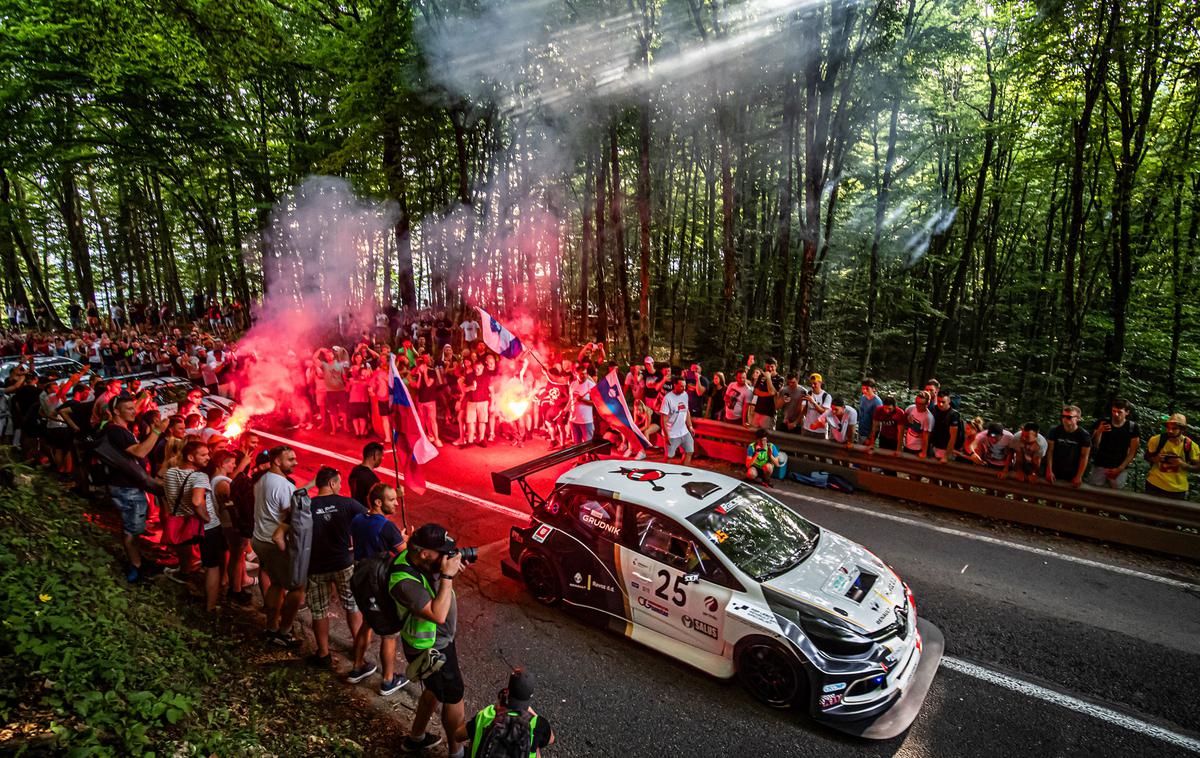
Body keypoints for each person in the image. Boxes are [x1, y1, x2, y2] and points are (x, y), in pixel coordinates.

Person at [391, 524, 470, 756]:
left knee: (434, 690)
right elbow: (438, 615)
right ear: (424, 553)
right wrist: (447, 575)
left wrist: (447, 569)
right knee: (454, 697)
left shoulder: (420, 560)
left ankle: (416, 738)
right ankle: (457, 753)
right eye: (442, 553)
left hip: (437, 643)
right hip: (432, 648)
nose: (446, 557)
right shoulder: (403, 581)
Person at [348, 483, 412, 695]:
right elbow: (405, 554)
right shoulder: (386, 527)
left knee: (367, 622)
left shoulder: (358, 520)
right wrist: (406, 541)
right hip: (378, 583)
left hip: (359, 579)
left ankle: (357, 666)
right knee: (390, 633)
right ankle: (388, 680)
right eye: (392, 499)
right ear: (378, 502)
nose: (396, 503)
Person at [306, 467, 366, 668]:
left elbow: (290, 526)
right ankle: (359, 651)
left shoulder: (307, 505)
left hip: (315, 566)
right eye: (339, 483)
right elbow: (370, 518)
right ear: (332, 483)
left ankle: (323, 653)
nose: (340, 487)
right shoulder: (347, 503)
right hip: (343, 563)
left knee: (319, 610)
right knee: (352, 605)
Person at [104, 395, 169, 582]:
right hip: (127, 489)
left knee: (132, 529)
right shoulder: (117, 432)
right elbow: (140, 451)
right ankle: (136, 568)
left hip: (128, 487)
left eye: (134, 408)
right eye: (129, 409)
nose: (134, 411)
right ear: (117, 411)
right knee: (131, 532)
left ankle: (138, 560)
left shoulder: (121, 430)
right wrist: (157, 432)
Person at [253, 445, 310, 648]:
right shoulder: (284, 486)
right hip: (273, 543)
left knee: (276, 583)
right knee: (297, 587)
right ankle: (285, 631)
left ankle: (271, 627)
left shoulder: (262, 480)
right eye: (290, 459)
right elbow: (292, 515)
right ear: (277, 461)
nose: (295, 463)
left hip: (259, 539)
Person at [164, 440, 225, 611]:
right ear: (191, 457)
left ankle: (183, 574)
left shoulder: (171, 472)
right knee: (212, 566)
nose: (208, 458)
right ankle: (210, 607)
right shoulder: (200, 476)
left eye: (208, 454)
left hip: (182, 523)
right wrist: (207, 518)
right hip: (207, 527)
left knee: (186, 554)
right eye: (203, 455)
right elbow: (197, 502)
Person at [457, 668, 555, 758]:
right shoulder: (537, 723)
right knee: (535, 746)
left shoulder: (487, 713)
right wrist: (531, 711)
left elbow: (458, 736)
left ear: (507, 692)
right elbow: (551, 739)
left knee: (476, 736)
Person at [1088, 398, 1141, 490]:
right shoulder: (1103, 422)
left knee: (1114, 497)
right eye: (1114, 411)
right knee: (1094, 494)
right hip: (1100, 465)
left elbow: (1133, 452)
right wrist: (1099, 431)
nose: (1115, 414)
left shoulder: (1132, 427)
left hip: (1119, 468)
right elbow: (1096, 445)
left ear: (1127, 412)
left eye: (1119, 412)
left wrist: (1120, 469)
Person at [1144, 413, 1199, 500]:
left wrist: (1182, 464)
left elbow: (1198, 468)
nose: (1170, 431)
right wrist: (1155, 458)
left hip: (1177, 489)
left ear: (1182, 429)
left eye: (1174, 428)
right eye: (1168, 428)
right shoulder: (1157, 440)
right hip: (1154, 484)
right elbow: (1147, 456)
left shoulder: (1190, 446)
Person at [1046, 405, 1091, 488]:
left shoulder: (1084, 435)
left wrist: (1079, 476)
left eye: (1069, 417)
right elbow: (1050, 451)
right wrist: (1049, 470)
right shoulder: (1054, 430)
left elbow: (1084, 456)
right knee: (1051, 496)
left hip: (1073, 471)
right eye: (1063, 416)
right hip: (1056, 469)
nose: (1065, 419)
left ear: (1078, 418)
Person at [660, 376, 695, 465]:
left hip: (684, 431)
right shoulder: (668, 398)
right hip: (671, 434)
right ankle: (663, 473)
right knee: (669, 456)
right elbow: (663, 418)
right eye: (681, 386)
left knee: (689, 451)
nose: (684, 388)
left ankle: (682, 471)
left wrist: (690, 426)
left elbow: (686, 411)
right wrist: (667, 435)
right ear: (674, 385)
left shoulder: (685, 395)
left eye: (684, 386)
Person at [929, 389, 962, 463]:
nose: (940, 404)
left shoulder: (954, 415)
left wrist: (946, 456)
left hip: (947, 449)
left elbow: (953, 437)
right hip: (934, 446)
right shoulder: (934, 409)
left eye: (943, 402)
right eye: (939, 401)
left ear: (949, 401)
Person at [750, 358, 783, 430]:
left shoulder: (780, 379)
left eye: (772, 366)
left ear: (776, 366)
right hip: (757, 411)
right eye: (768, 366)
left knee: (765, 437)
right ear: (765, 366)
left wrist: (768, 378)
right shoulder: (761, 376)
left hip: (769, 414)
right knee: (753, 434)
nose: (770, 369)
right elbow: (755, 391)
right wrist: (769, 394)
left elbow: (773, 392)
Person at [567, 365, 595, 446]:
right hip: (573, 420)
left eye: (585, 374)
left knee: (587, 444)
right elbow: (570, 400)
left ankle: (588, 458)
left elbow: (595, 403)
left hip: (586, 421)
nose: (584, 376)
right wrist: (565, 410)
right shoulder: (572, 385)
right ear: (575, 374)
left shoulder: (591, 385)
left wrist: (583, 400)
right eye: (581, 374)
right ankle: (580, 459)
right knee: (577, 444)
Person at [349, 442, 384, 506]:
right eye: (381, 456)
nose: (382, 459)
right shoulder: (373, 481)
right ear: (375, 456)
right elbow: (382, 503)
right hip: (366, 514)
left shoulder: (355, 470)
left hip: (354, 510)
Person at [902, 391, 935, 458]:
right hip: (907, 444)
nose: (918, 405)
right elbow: (904, 419)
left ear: (927, 403)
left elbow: (926, 437)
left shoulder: (928, 418)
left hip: (917, 448)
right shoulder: (911, 408)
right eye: (916, 402)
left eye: (921, 404)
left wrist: (924, 452)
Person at [800, 373, 831, 439]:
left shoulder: (826, 396)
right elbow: (803, 411)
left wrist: (813, 402)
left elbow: (824, 413)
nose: (812, 385)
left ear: (820, 383)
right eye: (811, 383)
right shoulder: (808, 394)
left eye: (815, 383)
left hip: (820, 431)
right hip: (807, 428)